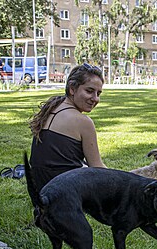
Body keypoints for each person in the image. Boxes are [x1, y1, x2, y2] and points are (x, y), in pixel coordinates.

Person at [28, 63, 107, 193]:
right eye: (89, 91)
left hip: (39, 192)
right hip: (64, 196)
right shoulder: (83, 122)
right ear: (72, 89)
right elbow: (97, 167)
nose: (95, 99)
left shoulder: (52, 107)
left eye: (98, 93)